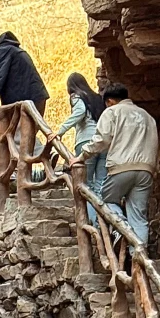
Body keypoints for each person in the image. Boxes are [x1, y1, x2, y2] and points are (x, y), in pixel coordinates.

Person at [83, 83, 158, 246]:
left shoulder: (112, 112)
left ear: (109, 101)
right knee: (139, 217)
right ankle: (139, 261)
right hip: (146, 170)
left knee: (104, 200)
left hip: (121, 167)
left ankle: (120, 229)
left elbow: (101, 140)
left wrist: (83, 155)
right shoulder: (147, 116)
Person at [56, 72, 106, 222]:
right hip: (102, 142)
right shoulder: (97, 98)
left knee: (87, 186)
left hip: (86, 142)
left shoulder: (77, 96)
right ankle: (105, 222)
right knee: (100, 185)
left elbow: (80, 112)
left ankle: (93, 223)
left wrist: (60, 131)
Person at [0, 31, 49, 116]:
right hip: (36, 96)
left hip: (29, 100)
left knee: (21, 129)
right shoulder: (10, 48)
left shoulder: (2, 52)